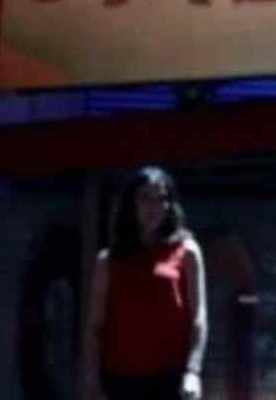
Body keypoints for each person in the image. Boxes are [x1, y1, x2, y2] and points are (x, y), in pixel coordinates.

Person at [84, 167, 207, 400]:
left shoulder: (187, 252)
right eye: (146, 198)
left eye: (161, 199)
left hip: (171, 379)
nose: (153, 207)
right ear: (132, 204)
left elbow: (198, 318)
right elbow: (95, 327)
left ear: (169, 205)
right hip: (120, 380)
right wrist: (92, 379)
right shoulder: (109, 261)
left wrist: (193, 371)